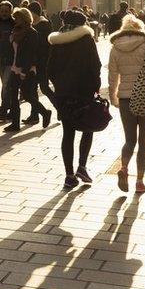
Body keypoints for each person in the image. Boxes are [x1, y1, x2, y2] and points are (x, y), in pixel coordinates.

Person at [108, 15, 145, 194]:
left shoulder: (115, 48)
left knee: (130, 139)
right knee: (144, 142)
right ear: (140, 28)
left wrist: (113, 97)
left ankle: (124, 168)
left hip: (125, 98)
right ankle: (139, 181)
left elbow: (112, 76)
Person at [47, 10, 101, 190]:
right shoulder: (86, 40)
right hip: (84, 92)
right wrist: (95, 86)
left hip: (64, 94)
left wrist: (59, 86)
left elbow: (50, 69)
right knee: (89, 126)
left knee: (68, 133)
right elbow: (96, 65)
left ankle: (69, 175)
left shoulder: (57, 42)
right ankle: (82, 167)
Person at [3, 7, 52, 133]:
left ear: (24, 18)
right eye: (15, 17)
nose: (15, 19)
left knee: (28, 95)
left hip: (27, 69)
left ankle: (45, 112)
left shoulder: (32, 33)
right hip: (15, 67)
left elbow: (30, 54)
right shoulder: (16, 31)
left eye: (17, 17)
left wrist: (24, 71)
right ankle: (15, 123)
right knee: (13, 95)